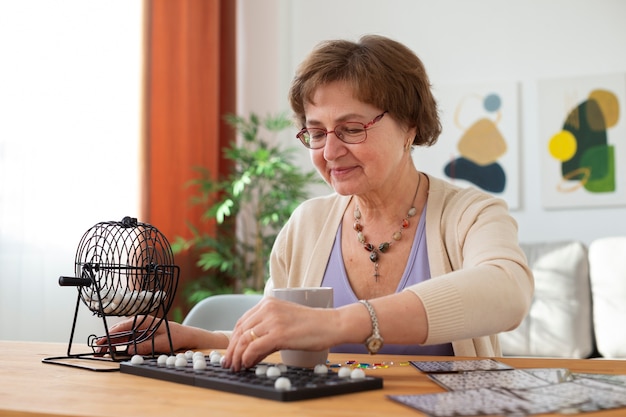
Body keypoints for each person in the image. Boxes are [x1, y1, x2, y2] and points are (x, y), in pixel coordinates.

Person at [100, 34, 534, 371]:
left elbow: (506, 291)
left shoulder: (471, 214)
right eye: (317, 132)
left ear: (410, 127)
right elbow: (278, 340)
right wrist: (191, 337)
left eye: (351, 129)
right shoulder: (306, 224)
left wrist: (341, 322)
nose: (329, 152)